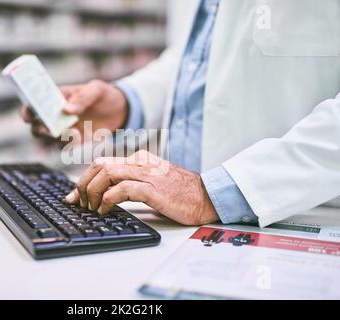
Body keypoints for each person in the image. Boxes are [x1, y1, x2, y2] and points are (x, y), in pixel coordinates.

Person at [21, 0, 340, 227]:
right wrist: (125, 102)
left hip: (293, 216)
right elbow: (196, 58)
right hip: (177, 222)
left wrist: (215, 193)